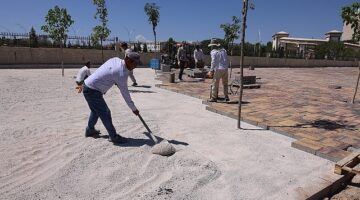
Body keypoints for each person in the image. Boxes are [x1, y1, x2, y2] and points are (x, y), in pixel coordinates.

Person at [82, 52, 141, 144]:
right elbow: (125, 93)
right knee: (105, 112)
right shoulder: (121, 73)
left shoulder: (115, 59)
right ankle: (113, 137)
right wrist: (133, 109)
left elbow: (108, 71)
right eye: (135, 64)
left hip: (88, 85)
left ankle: (90, 130)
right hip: (93, 90)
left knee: (96, 111)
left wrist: (114, 80)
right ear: (128, 60)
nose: (135, 67)